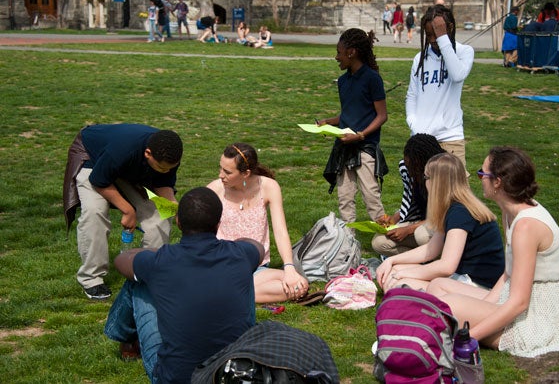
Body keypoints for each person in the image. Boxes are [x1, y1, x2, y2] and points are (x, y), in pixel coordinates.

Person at [428, 147, 559, 358]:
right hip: (514, 298)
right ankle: (481, 330)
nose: (479, 178)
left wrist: (468, 338)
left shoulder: (526, 226)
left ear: (497, 182)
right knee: (438, 285)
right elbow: (508, 272)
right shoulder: (511, 212)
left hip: (541, 315)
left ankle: (481, 334)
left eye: (482, 174)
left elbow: (520, 302)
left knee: (447, 305)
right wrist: (485, 304)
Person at [104, 187, 265, 383]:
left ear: (178, 222)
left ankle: (123, 337)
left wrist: (151, 254)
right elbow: (255, 245)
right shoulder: (240, 255)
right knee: (244, 271)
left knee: (137, 281)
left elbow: (121, 260)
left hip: (175, 378)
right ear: (218, 223)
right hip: (232, 374)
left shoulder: (161, 261)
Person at [62, 124, 183, 299]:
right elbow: (99, 180)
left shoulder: (168, 154)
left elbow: (164, 183)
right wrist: (128, 211)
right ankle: (91, 278)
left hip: (125, 166)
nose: (167, 171)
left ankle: (150, 272)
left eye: (170, 168)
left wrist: (174, 207)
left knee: (161, 214)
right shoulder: (124, 149)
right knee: (95, 212)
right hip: (93, 158)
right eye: (162, 168)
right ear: (148, 153)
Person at [376, 153, 504, 293]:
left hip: (478, 286)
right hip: (462, 277)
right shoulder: (452, 207)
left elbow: (447, 266)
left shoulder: (460, 212)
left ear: (435, 182)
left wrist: (403, 274)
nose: (424, 182)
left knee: (400, 282)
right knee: (396, 270)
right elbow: (431, 249)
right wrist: (391, 261)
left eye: (426, 177)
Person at [207, 143, 309, 303]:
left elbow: (280, 231)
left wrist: (289, 267)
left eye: (227, 172)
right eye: (220, 168)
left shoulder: (269, 187)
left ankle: (227, 293)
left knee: (300, 285)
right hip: (223, 265)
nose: (220, 175)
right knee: (291, 288)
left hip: (257, 268)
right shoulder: (215, 190)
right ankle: (232, 291)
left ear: (246, 173)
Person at [318, 28, 389, 226]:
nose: (336, 57)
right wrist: (328, 122)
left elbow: (382, 116)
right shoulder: (342, 81)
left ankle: (387, 245)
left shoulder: (372, 79)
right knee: (345, 199)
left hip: (364, 147)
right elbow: (349, 114)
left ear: (351, 52)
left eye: (339, 52)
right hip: (344, 147)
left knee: (371, 198)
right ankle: (349, 244)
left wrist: (360, 136)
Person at [405, 4, 474, 172]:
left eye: (435, 34)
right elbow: (411, 95)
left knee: (455, 195)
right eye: (428, 35)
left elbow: (457, 75)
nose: (432, 40)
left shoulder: (464, 52)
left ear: (448, 28)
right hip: (421, 139)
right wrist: (413, 123)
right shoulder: (419, 58)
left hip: (450, 138)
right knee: (422, 195)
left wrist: (443, 39)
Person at [372, 134, 445, 257]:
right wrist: (392, 220)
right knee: (379, 242)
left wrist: (408, 230)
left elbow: (444, 215)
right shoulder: (407, 168)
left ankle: (438, 255)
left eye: (413, 168)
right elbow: (409, 202)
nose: (409, 171)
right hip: (420, 220)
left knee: (421, 235)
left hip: (442, 223)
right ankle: (421, 259)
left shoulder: (446, 172)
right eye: (407, 166)